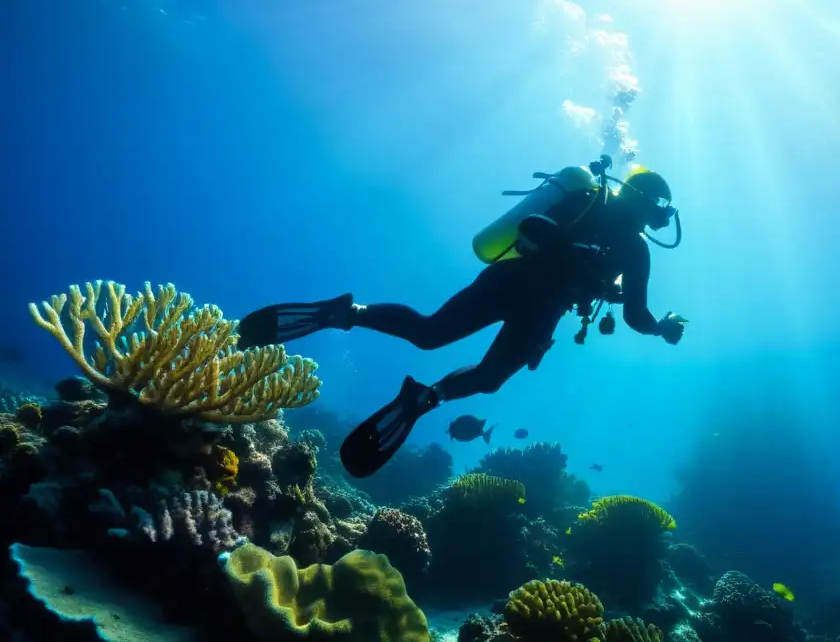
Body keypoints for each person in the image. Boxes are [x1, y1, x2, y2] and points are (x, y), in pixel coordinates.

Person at [236, 159, 686, 477]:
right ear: (648, 203)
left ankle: (423, 396)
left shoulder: (633, 247)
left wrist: (657, 325)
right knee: (431, 335)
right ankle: (347, 313)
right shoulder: (589, 205)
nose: (661, 219)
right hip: (513, 284)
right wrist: (656, 324)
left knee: (485, 376)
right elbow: (533, 228)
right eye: (661, 210)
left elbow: (634, 314)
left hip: (537, 305)